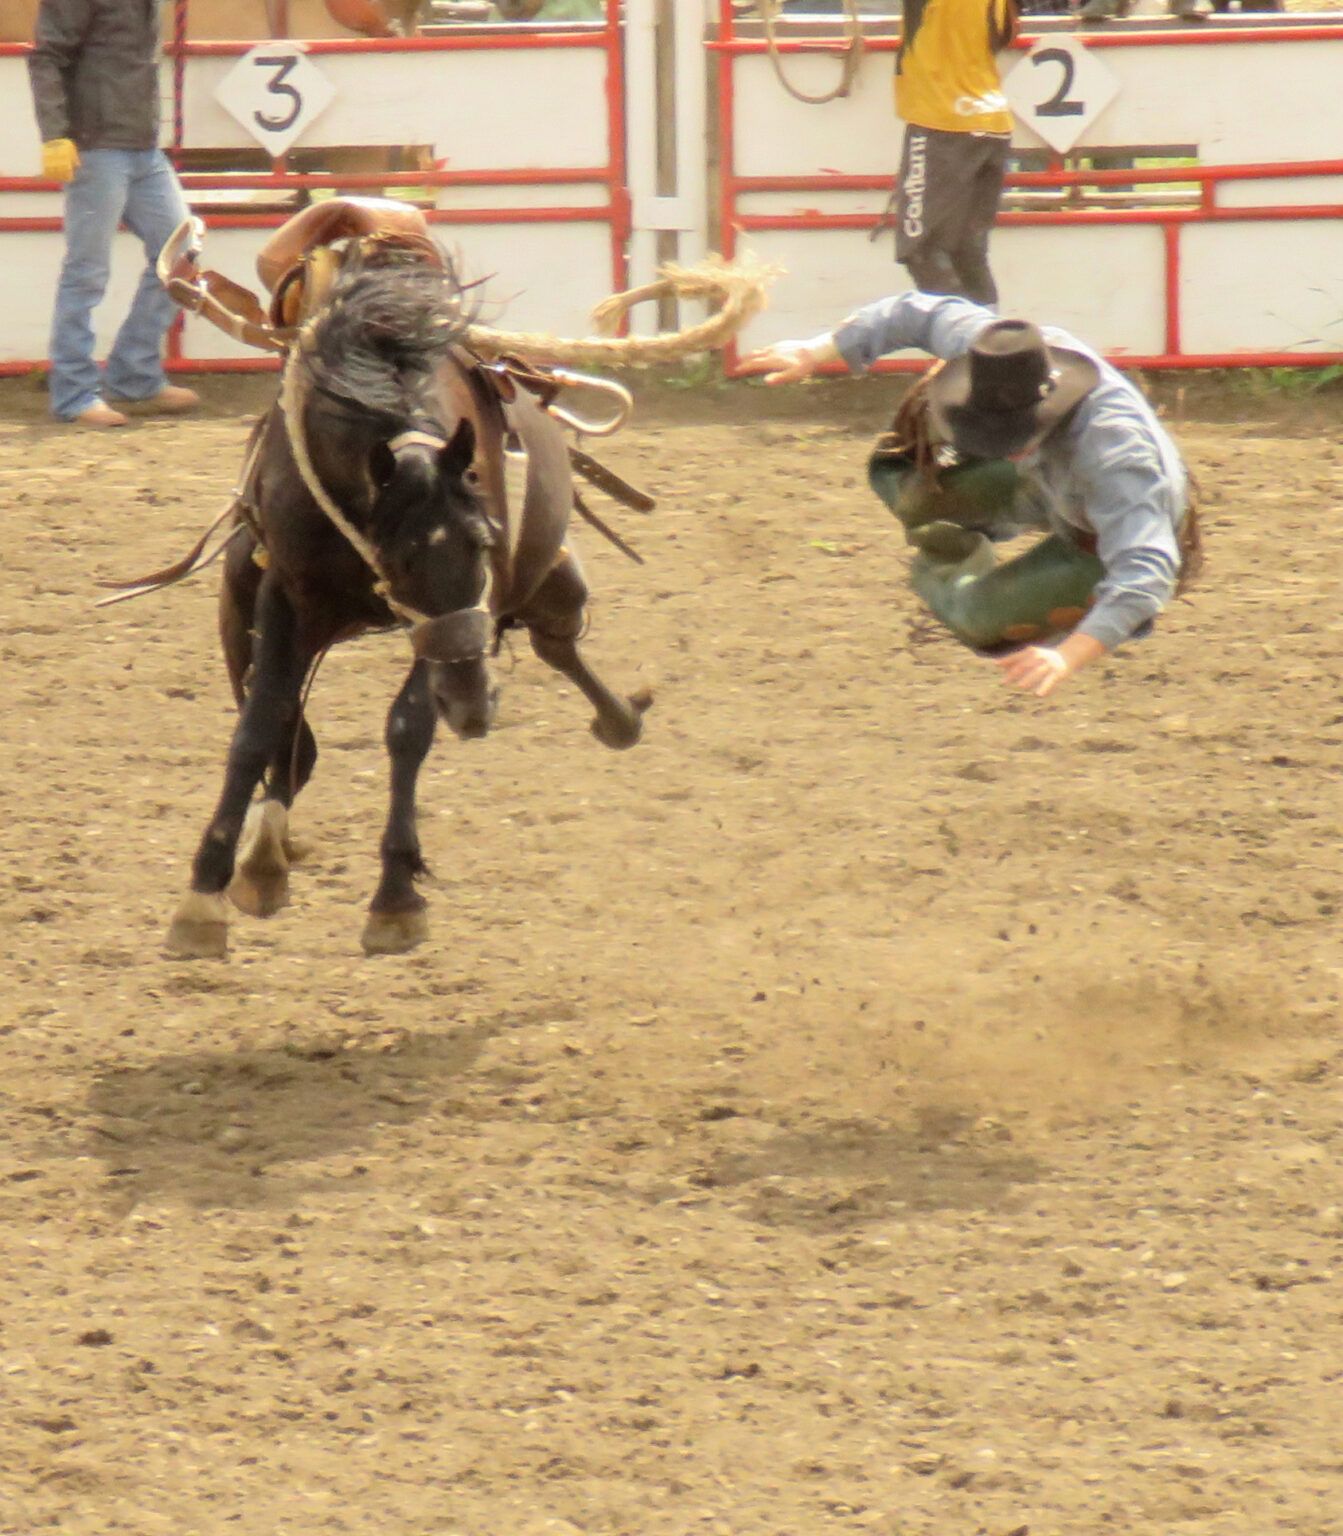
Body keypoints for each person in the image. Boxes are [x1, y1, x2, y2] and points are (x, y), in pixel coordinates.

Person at [743, 290, 1199, 698]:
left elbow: (1144, 574)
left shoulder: (1119, 461)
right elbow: (917, 313)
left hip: (1097, 536)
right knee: (911, 493)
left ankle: (959, 585)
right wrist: (817, 350)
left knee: (976, 617)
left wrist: (1066, 657)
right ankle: (952, 548)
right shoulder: (1006, 357)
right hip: (1047, 483)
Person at [27, 0, 199, 428]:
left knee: (181, 253)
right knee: (87, 272)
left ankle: (133, 376)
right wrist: (55, 135)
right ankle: (74, 394)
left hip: (138, 144)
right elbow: (47, 57)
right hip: (98, 146)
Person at [882, 0, 1019, 308]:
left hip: (942, 121)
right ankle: (989, 336)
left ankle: (961, 334)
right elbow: (1003, 35)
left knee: (922, 250)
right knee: (967, 253)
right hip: (991, 118)